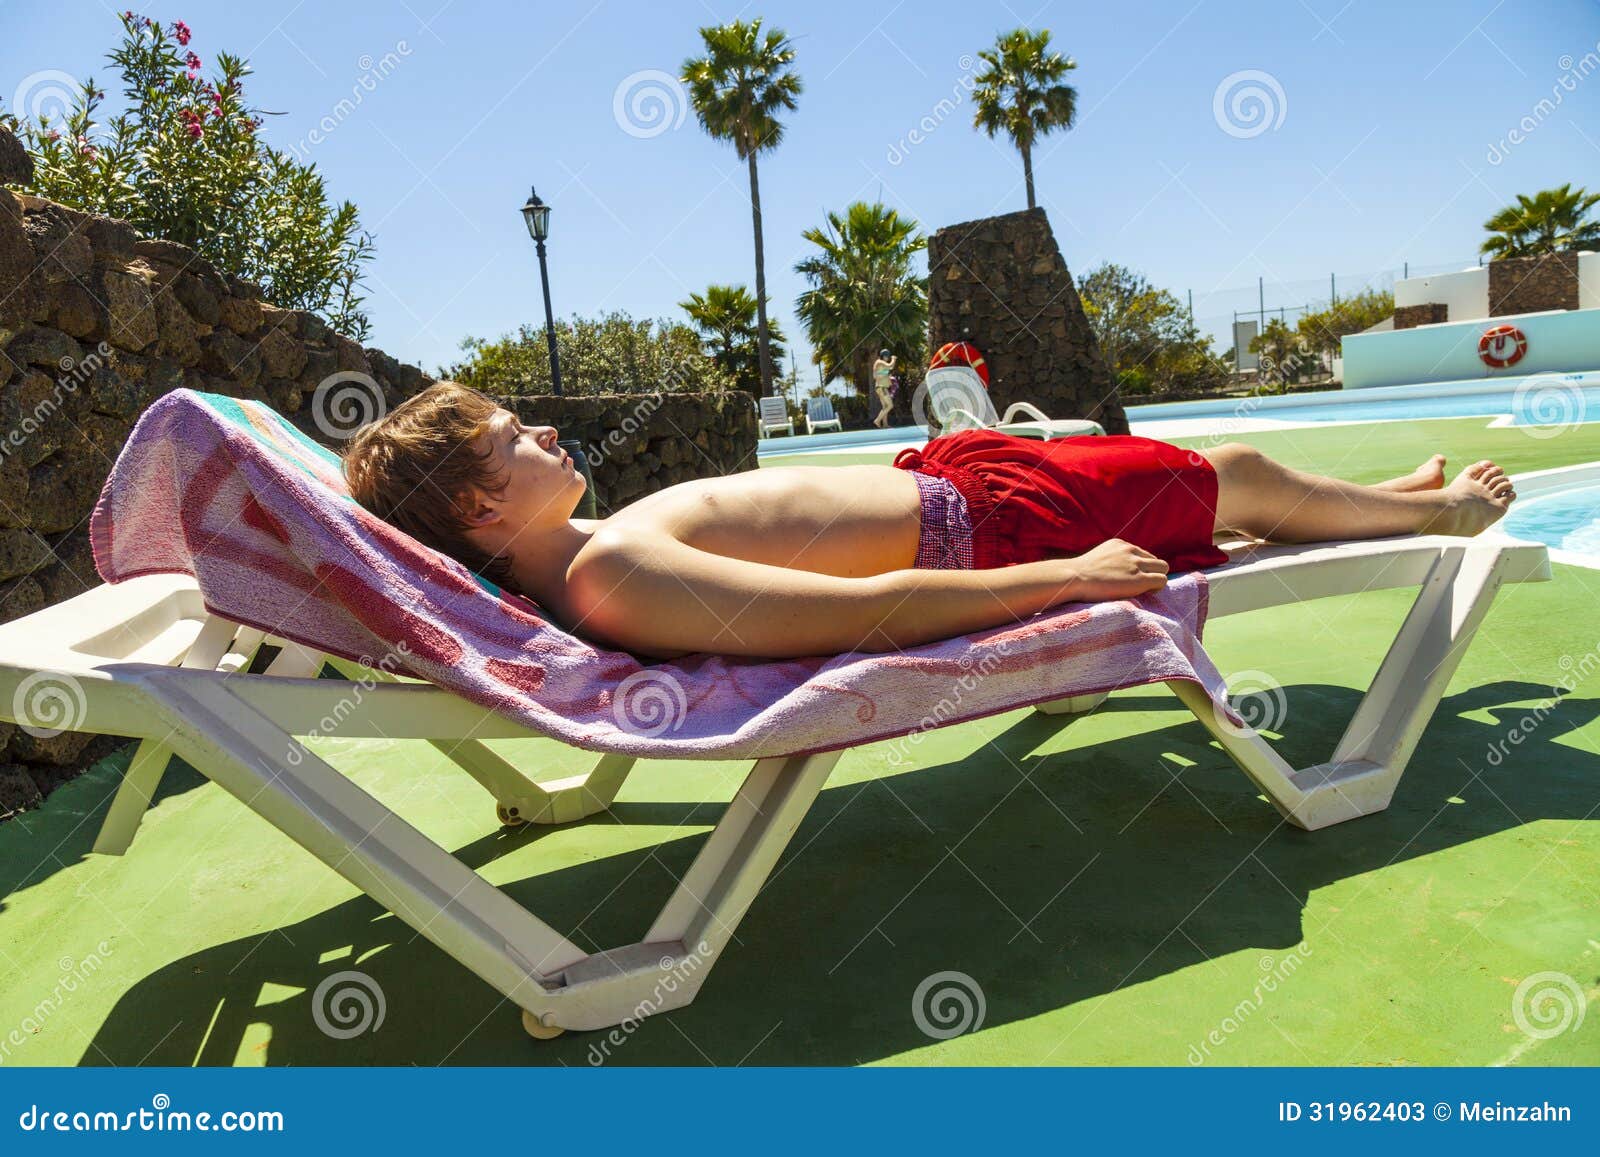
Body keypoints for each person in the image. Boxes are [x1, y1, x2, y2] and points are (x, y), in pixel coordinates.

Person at [342, 382, 1517, 662]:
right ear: (478, 506)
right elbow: (871, 610)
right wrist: (1061, 578)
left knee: (1226, 491)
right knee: (1242, 474)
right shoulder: (615, 582)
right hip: (1005, 530)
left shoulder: (602, 553)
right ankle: (1450, 511)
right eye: (514, 440)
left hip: (974, 486)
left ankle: (1395, 502)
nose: (544, 435)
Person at [872, 349, 896, 428]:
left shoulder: (882, 364)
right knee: (890, 405)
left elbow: (890, 367)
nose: (887, 358)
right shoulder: (879, 362)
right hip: (882, 388)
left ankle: (885, 424)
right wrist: (894, 359)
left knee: (885, 407)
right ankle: (877, 420)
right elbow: (890, 366)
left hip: (881, 387)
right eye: (887, 356)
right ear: (883, 356)